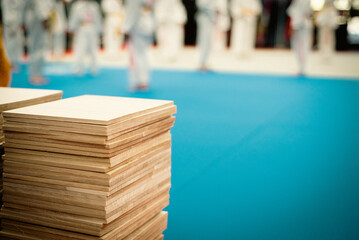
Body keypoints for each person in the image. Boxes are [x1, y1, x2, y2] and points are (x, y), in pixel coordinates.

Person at [123, 0, 156, 91]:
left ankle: (139, 81)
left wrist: (126, 28)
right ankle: (144, 80)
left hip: (137, 26)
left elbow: (132, 11)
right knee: (144, 54)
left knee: (136, 55)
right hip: (148, 23)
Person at [24, 0, 54, 85]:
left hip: (37, 16)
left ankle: (37, 74)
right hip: (38, 18)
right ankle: (35, 75)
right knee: (38, 46)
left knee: (38, 46)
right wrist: (44, 18)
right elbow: (40, 3)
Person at [69, 0, 102, 75]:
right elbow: (74, 17)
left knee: (94, 49)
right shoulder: (77, 6)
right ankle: (78, 68)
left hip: (92, 27)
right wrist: (71, 28)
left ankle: (94, 68)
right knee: (80, 49)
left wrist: (99, 30)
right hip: (82, 28)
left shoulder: (94, 5)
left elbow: (98, 18)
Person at [287, 0, 313, 76]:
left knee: (301, 47)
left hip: (301, 26)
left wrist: (295, 26)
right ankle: (300, 67)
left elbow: (305, 13)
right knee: (297, 47)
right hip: (298, 25)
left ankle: (302, 68)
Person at [1, 0, 25, 72]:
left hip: (14, 20)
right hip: (10, 20)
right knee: (10, 42)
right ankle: (8, 63)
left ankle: (12, 62)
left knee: (14, 42)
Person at [196, 0, 216, 71]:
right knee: (204, 40)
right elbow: (202, 5)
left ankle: (204, 61)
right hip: (204, 18)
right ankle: (202, 62)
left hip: (209, 18)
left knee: (208, 41)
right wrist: (212, 14)